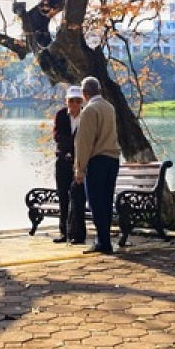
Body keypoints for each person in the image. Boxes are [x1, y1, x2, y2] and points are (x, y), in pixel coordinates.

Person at [73, 76, 121, 255]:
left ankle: (103, 241)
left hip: (98, 160)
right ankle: (105, 239)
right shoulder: (110, 108)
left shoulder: (89, 110)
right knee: (106, 201)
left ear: (85, 93)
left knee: (95, 202)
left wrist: (80, 169)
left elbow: (84, 142)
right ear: (99, 90)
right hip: (113, 159)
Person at [52, 86, 87, 244]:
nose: (73, 104)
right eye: (70, 100)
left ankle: (78, 233)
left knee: (78, 198)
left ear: (81, 102)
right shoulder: (61, 115)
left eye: (77, 101)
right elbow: (57, 136)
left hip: (78, 161)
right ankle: (63, 232)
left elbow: (86, 138)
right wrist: (73, 144)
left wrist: (74, 148)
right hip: (62, 161)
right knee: (63, 197)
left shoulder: (86, 116)